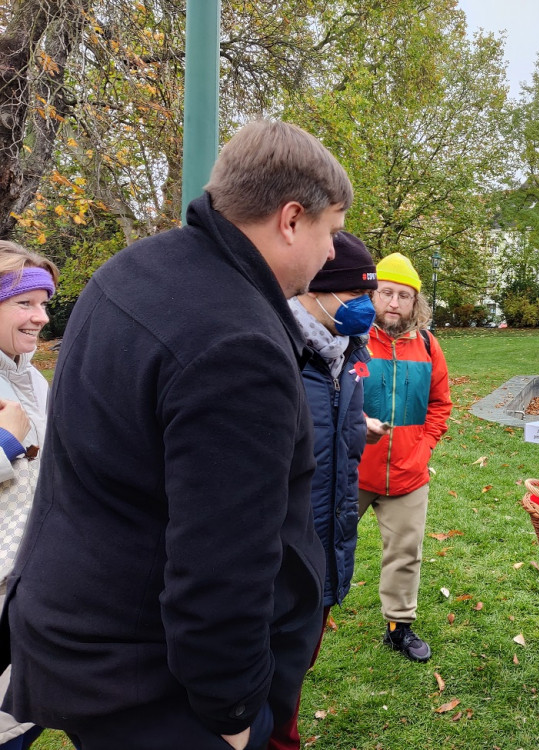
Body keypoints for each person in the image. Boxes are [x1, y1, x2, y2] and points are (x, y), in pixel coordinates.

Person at [0, 120, 353, 750]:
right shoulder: (236, 342)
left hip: (78, 633)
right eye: (331, 231)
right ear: (292, 219)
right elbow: (222, 557)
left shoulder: (133, 270)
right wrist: (233, 713)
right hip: (149, 680)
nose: (333, 253)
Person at [269, 231, 379, 750]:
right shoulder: (279, 351)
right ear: (318, 291)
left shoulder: (349, 354)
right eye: (357, 297)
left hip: (326, 548)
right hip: (277, 560)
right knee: (266, 687)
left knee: (294, 671)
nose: (367, 309)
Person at [357, 252, 452, 663]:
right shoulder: (352, 340)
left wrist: (424, 447)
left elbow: (440, 405)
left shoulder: (429, 345)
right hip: (353, 469)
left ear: (416, 303)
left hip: (409, 473)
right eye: (385, 293)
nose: (393, 303)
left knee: (405, 552)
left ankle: (398, 628)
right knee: (319, 543)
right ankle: (304, 615)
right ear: (372, 295)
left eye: (403, 296)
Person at [0, 244, 57, 750]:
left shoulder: (33, 379)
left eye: (43, 303)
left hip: (29, 597)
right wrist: (5, 444)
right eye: (24, 303)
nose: (40, 317)